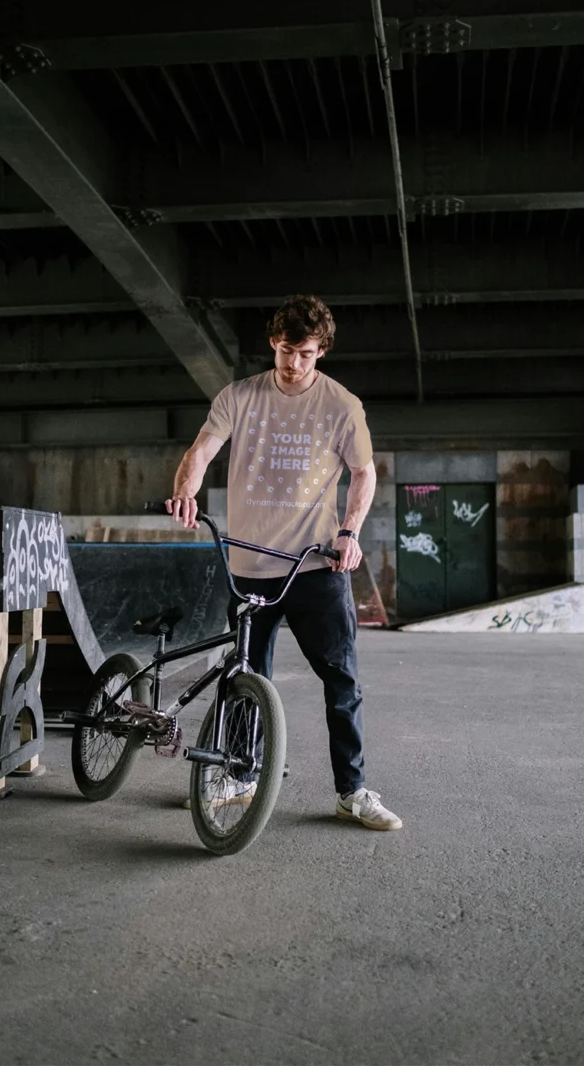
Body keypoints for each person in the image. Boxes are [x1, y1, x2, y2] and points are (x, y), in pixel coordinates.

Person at [166, 294, 401, 832]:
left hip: (315, 567)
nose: (294, 364)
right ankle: (242, 775)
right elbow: (201, 450)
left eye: (306, 353)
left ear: (321, 352)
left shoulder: (342, 406)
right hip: (248, 565)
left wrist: (349, 532)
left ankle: (352, 791)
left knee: (341, 680)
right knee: (246, 677)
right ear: (274, 343)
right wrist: (185, 490)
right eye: (286, 350)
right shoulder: (239, 397)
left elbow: (363, 475)